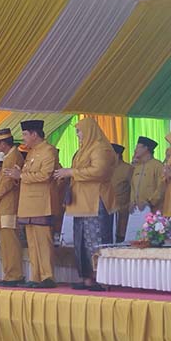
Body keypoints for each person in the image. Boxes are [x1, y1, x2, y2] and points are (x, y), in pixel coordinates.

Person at [54, 118, 116, 291]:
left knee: (96, 241)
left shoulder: (100, 148)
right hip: (81, 203)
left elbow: (100, 171)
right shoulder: (83, 150)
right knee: (81, 241)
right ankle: (87, 278)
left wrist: (71, 172)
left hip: (95, 202)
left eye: (79, 132)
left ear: (89, 131)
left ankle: (102, 279)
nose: (78, 136)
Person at [5, 120, 59, 289]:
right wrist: (17, 175)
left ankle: (47, 276)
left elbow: (45, 175)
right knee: (32, 243)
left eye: (25, 135)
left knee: (43, 241)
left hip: (42, 202)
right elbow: (28, 175)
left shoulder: (48, 151)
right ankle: (36, 277)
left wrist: (21, 175)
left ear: (35, 134)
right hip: (28, 204)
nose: (23, 139)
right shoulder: (32, 152)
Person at [0, 128, 25, 286]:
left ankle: (14, 275)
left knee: (10, 242)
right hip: (5, 205)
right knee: (4, 242)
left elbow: (8, 181)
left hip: (10, 204)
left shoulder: (14, 157)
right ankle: (9, 274)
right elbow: (1, 180)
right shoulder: (9, 156)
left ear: (3, 143)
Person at [130, 136, 164, 216]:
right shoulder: (137, 167)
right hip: (135, 210)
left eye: (137, 147)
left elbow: (162, 187)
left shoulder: (158, 165)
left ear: (146, 148)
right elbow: (133, 186)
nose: (135, 150)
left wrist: (149, 202)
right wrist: (132, 201)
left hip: (152, 211)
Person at [110, 144, 133, 243]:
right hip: (108, 210)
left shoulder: (128, 169)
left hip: (123, 209)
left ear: (117, 155)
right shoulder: (106, 168)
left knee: (121, 237)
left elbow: (134, 188)